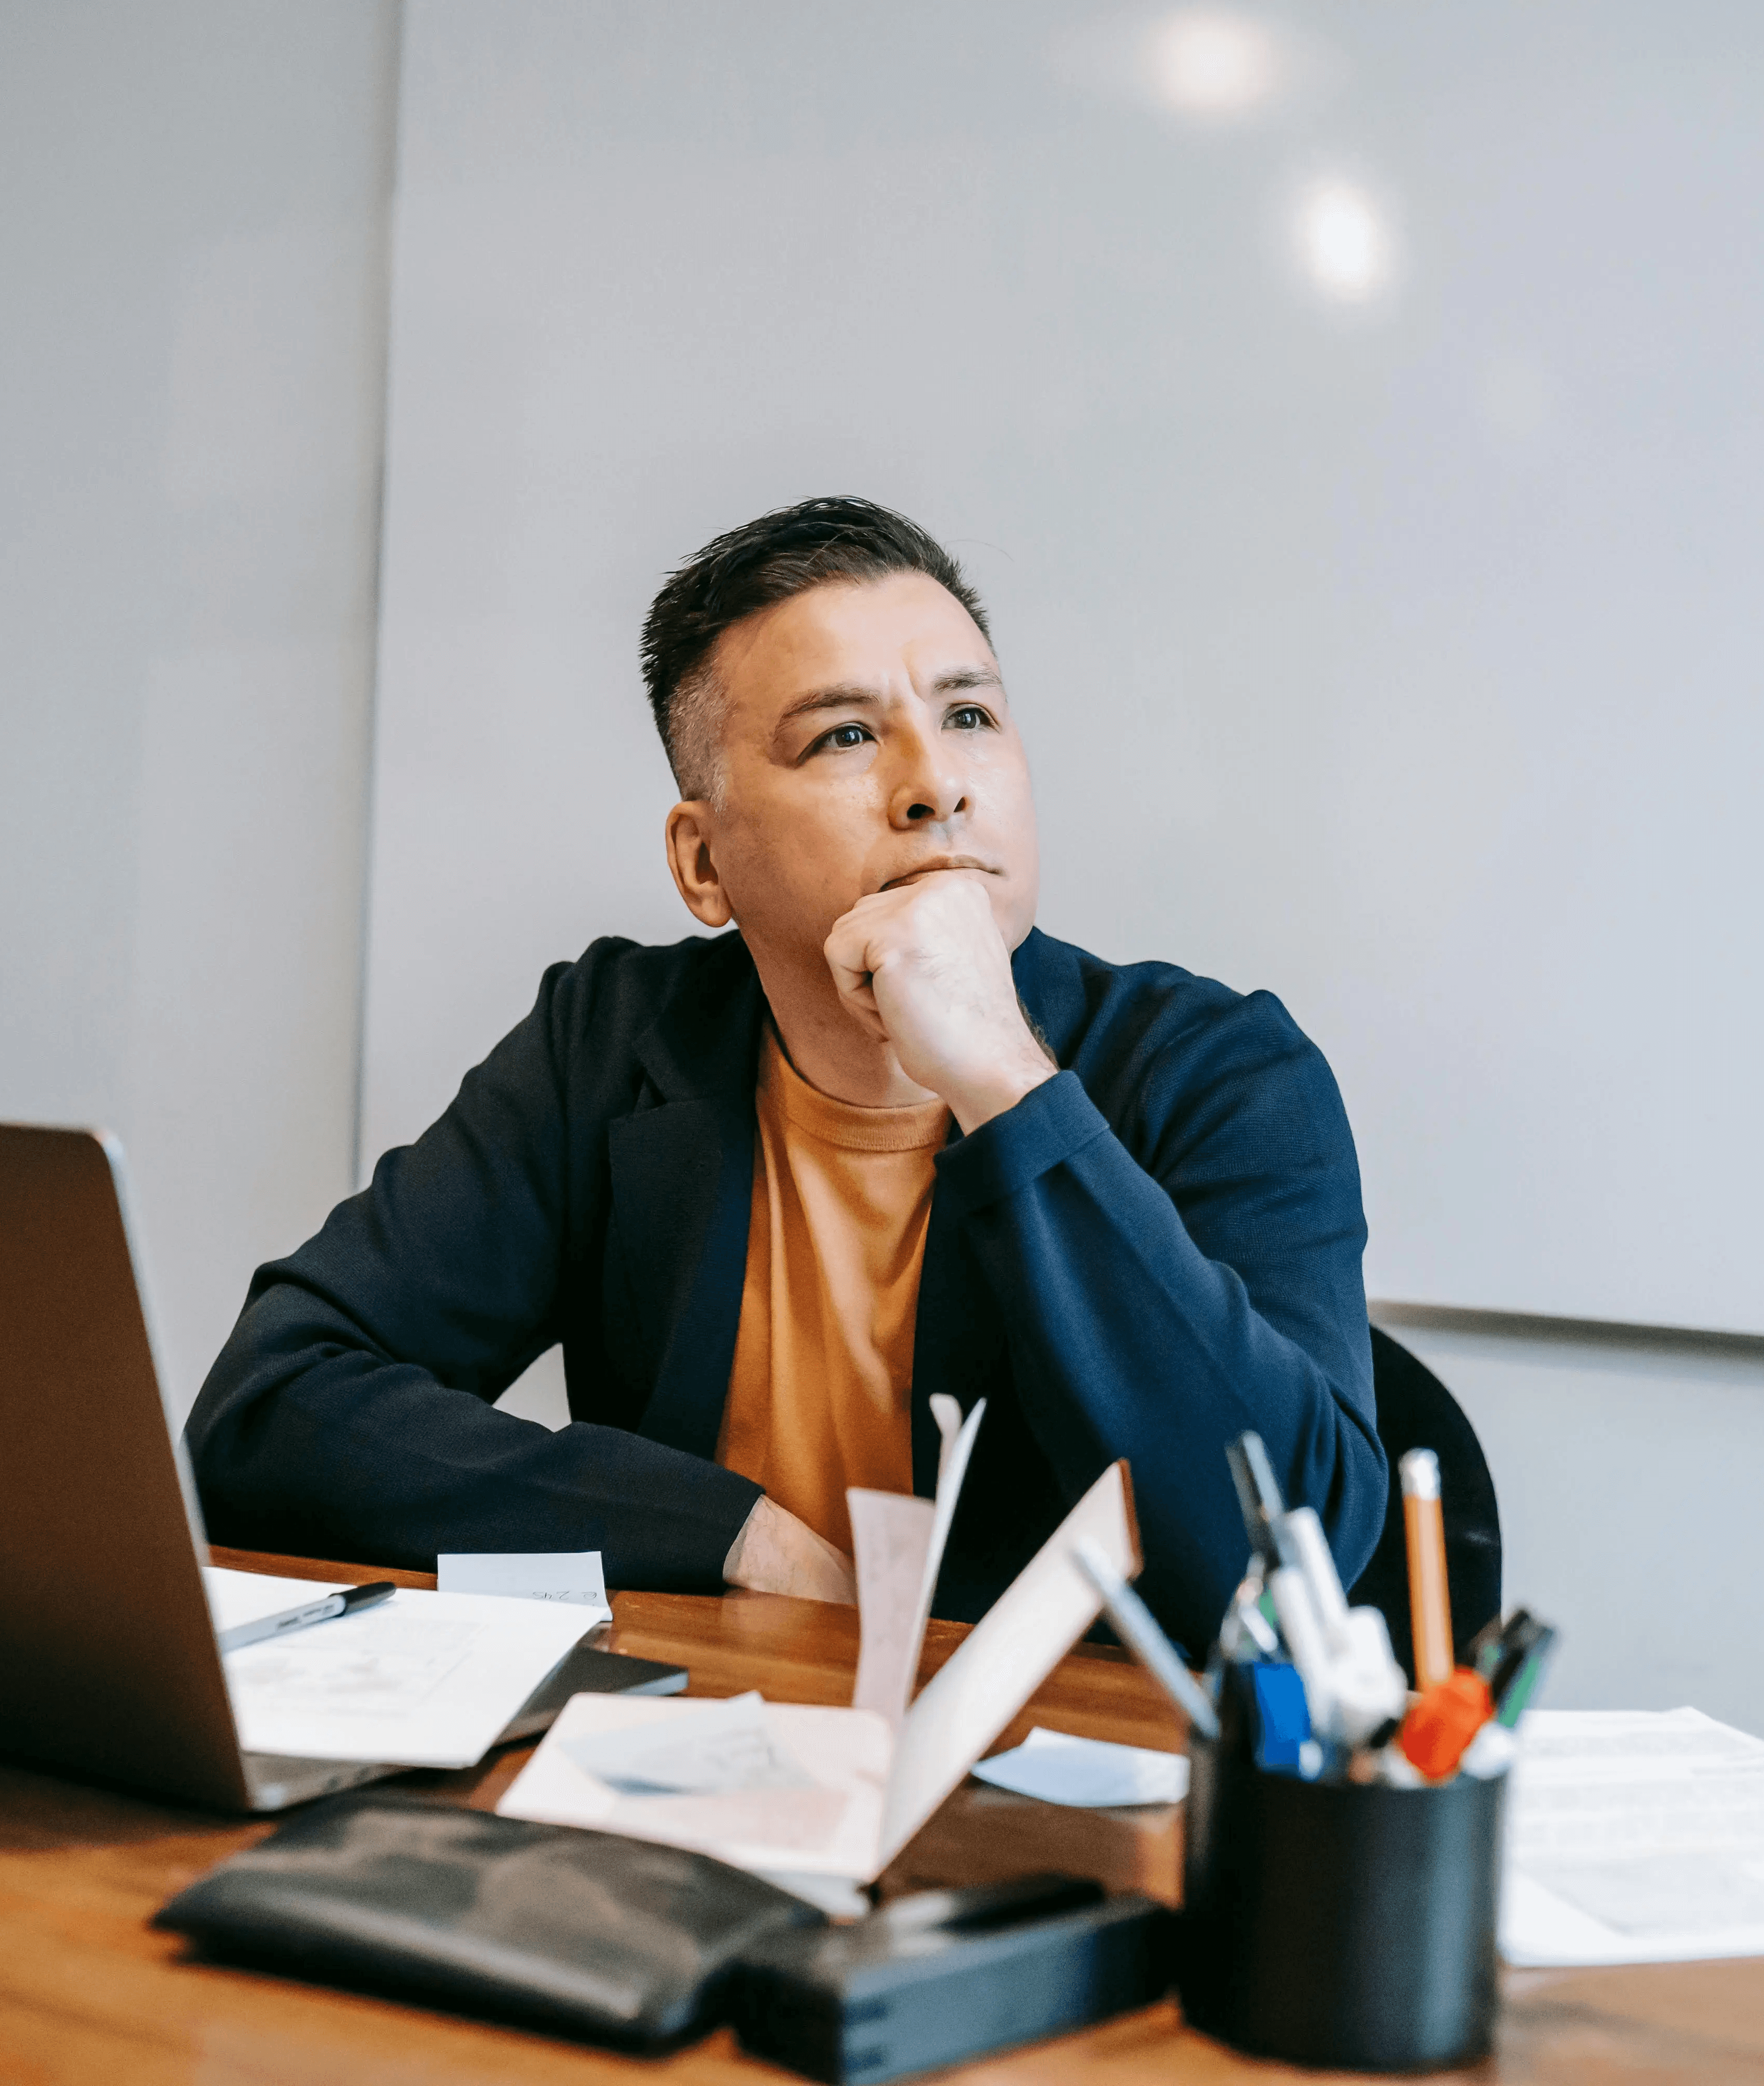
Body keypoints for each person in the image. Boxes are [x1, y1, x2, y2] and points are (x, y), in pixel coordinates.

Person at [186, 496, 1384, 1653]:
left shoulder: (1221, 1072)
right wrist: (721, 1531)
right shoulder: (609, 1044)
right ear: (703, 864)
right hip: (687, 1759)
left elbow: (1289, 1565)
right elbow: (267, 1410)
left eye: (968, 715)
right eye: (846, 736)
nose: (937, 785)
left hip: (1061, 1801)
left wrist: (1007, 1084)